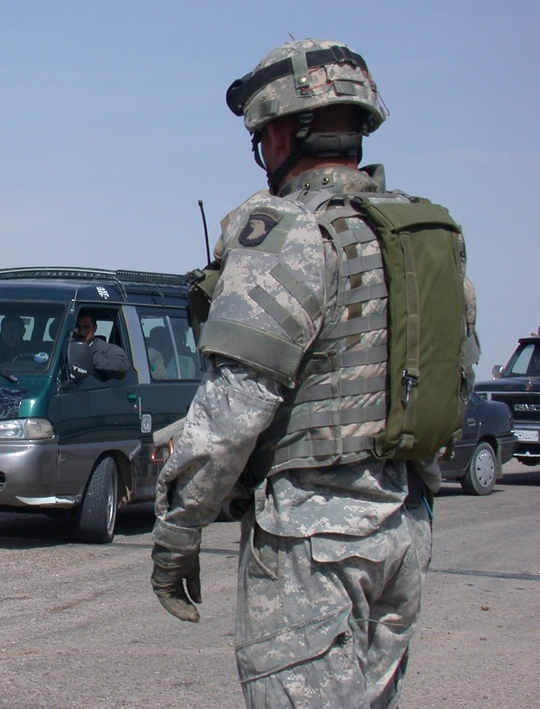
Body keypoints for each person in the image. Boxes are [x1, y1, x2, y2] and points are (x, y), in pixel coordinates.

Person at [150, 40, 477, 707]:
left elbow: (237, 404)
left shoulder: (288, 231)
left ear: (276, 133)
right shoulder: (425, 236)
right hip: (403, 530)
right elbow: (454, 379)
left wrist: (177, 527)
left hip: (315, 545)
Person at [74, 312, 130, 378]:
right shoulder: (65, 347)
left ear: (94, 328)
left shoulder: (107, 349)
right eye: (78, 327)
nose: (81, 332)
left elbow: (123, 366)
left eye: (86, 327)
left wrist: (90, 359)